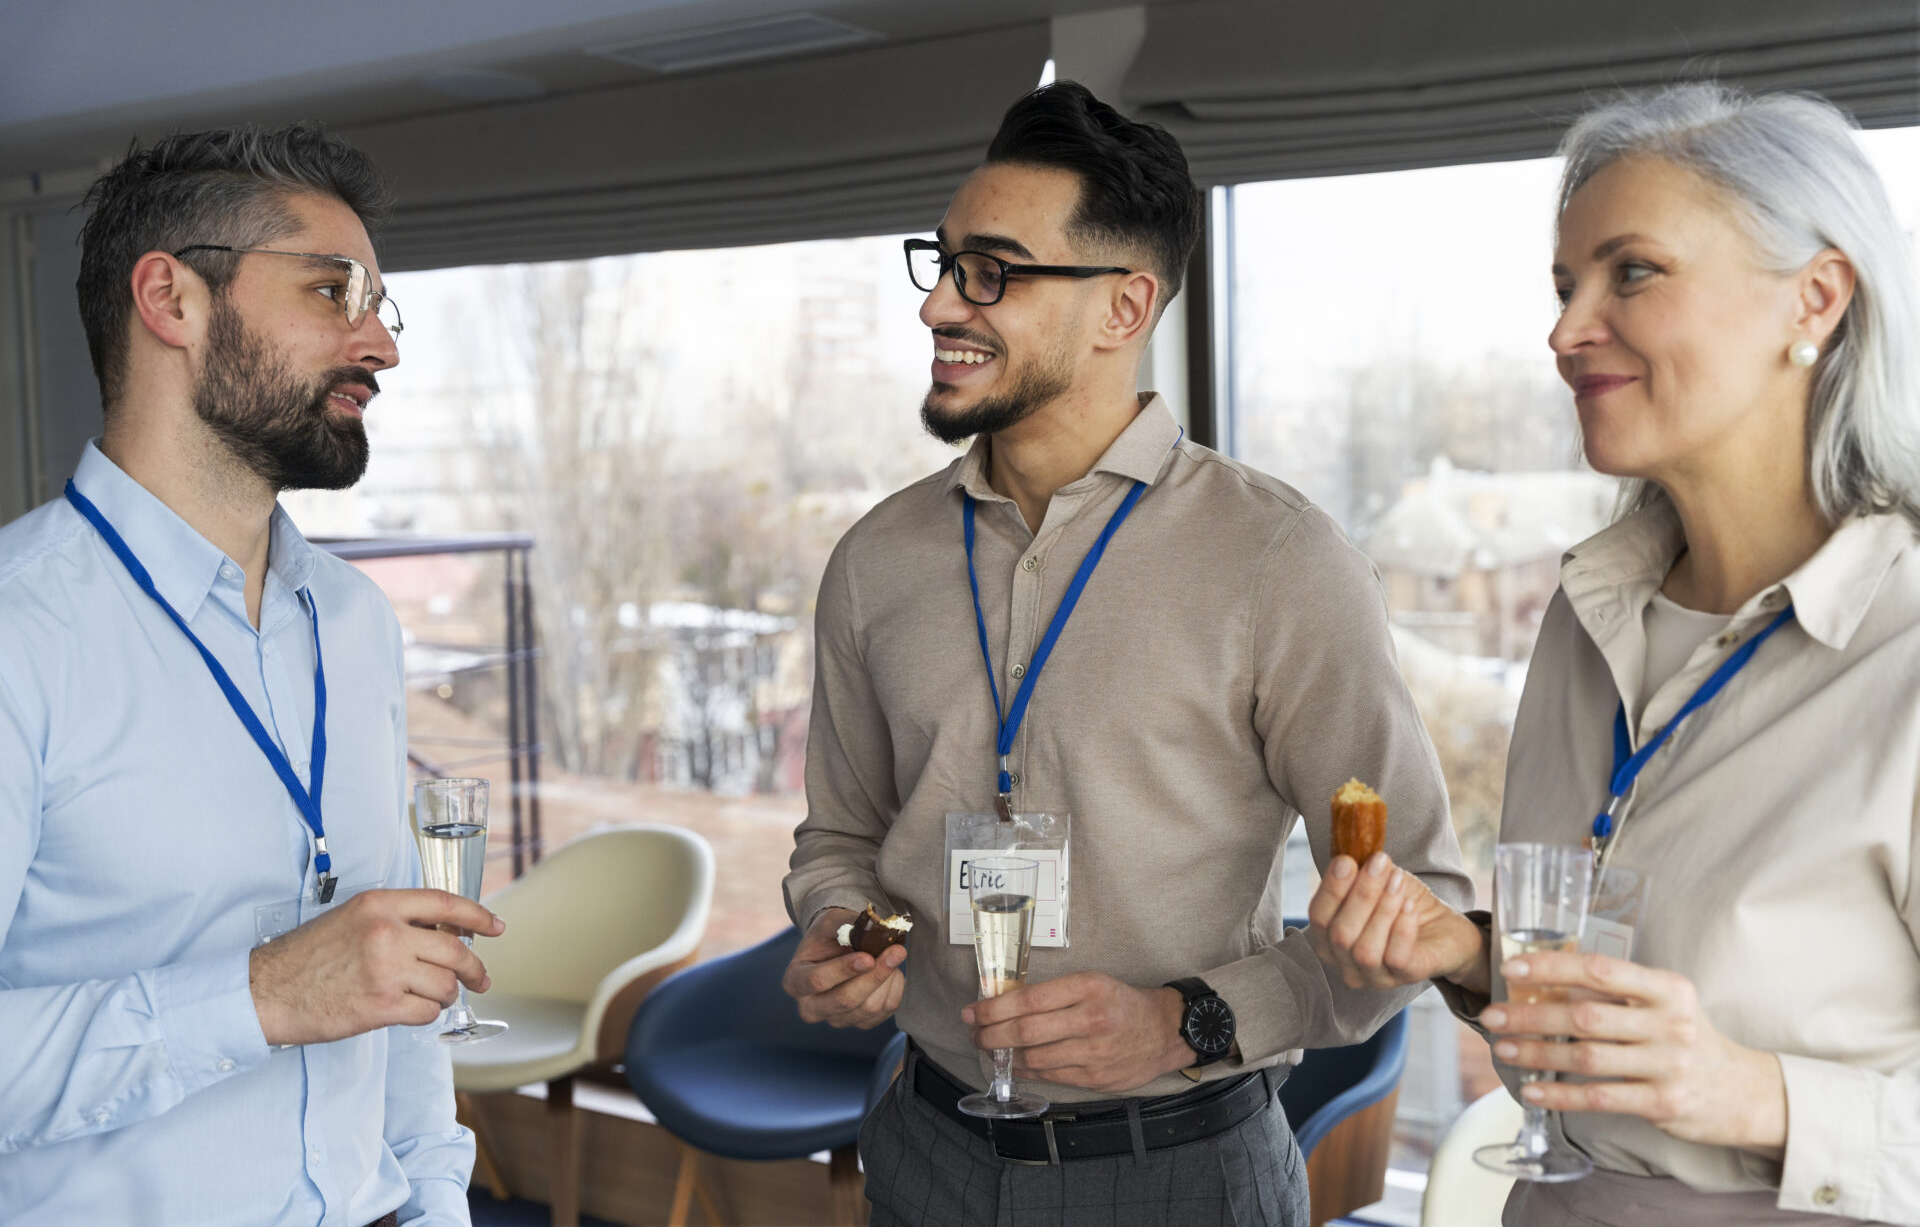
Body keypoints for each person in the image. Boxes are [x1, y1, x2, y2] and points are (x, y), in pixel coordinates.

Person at [781, 81, 1473, 1225]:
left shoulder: (1278, 559)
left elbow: (1423, 907)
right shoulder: (875, 557)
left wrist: (1189, 1018)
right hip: (922, 1149)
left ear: (1123, 306)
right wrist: (839, 926)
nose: (939, 305)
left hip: (1183, 1172)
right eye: (942, 261)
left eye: (991, 270)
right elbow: (840, 834)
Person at [1309, 82, 1920, 1225]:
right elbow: (1615, 989)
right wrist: (1471, 954)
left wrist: (1753, 1091)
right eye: (1563, 284)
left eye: (1631, 272)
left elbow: (1719, 1057)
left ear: (1819, 297)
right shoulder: (1585, 618)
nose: (1564, 329)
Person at [0, 126, 503, 1226]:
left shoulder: (358, 621)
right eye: (335, 290)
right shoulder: (16, 632)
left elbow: (393, 985)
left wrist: (431, 1200)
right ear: (171, 300)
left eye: (380, 303)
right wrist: (263, 995)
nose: (382, 343)